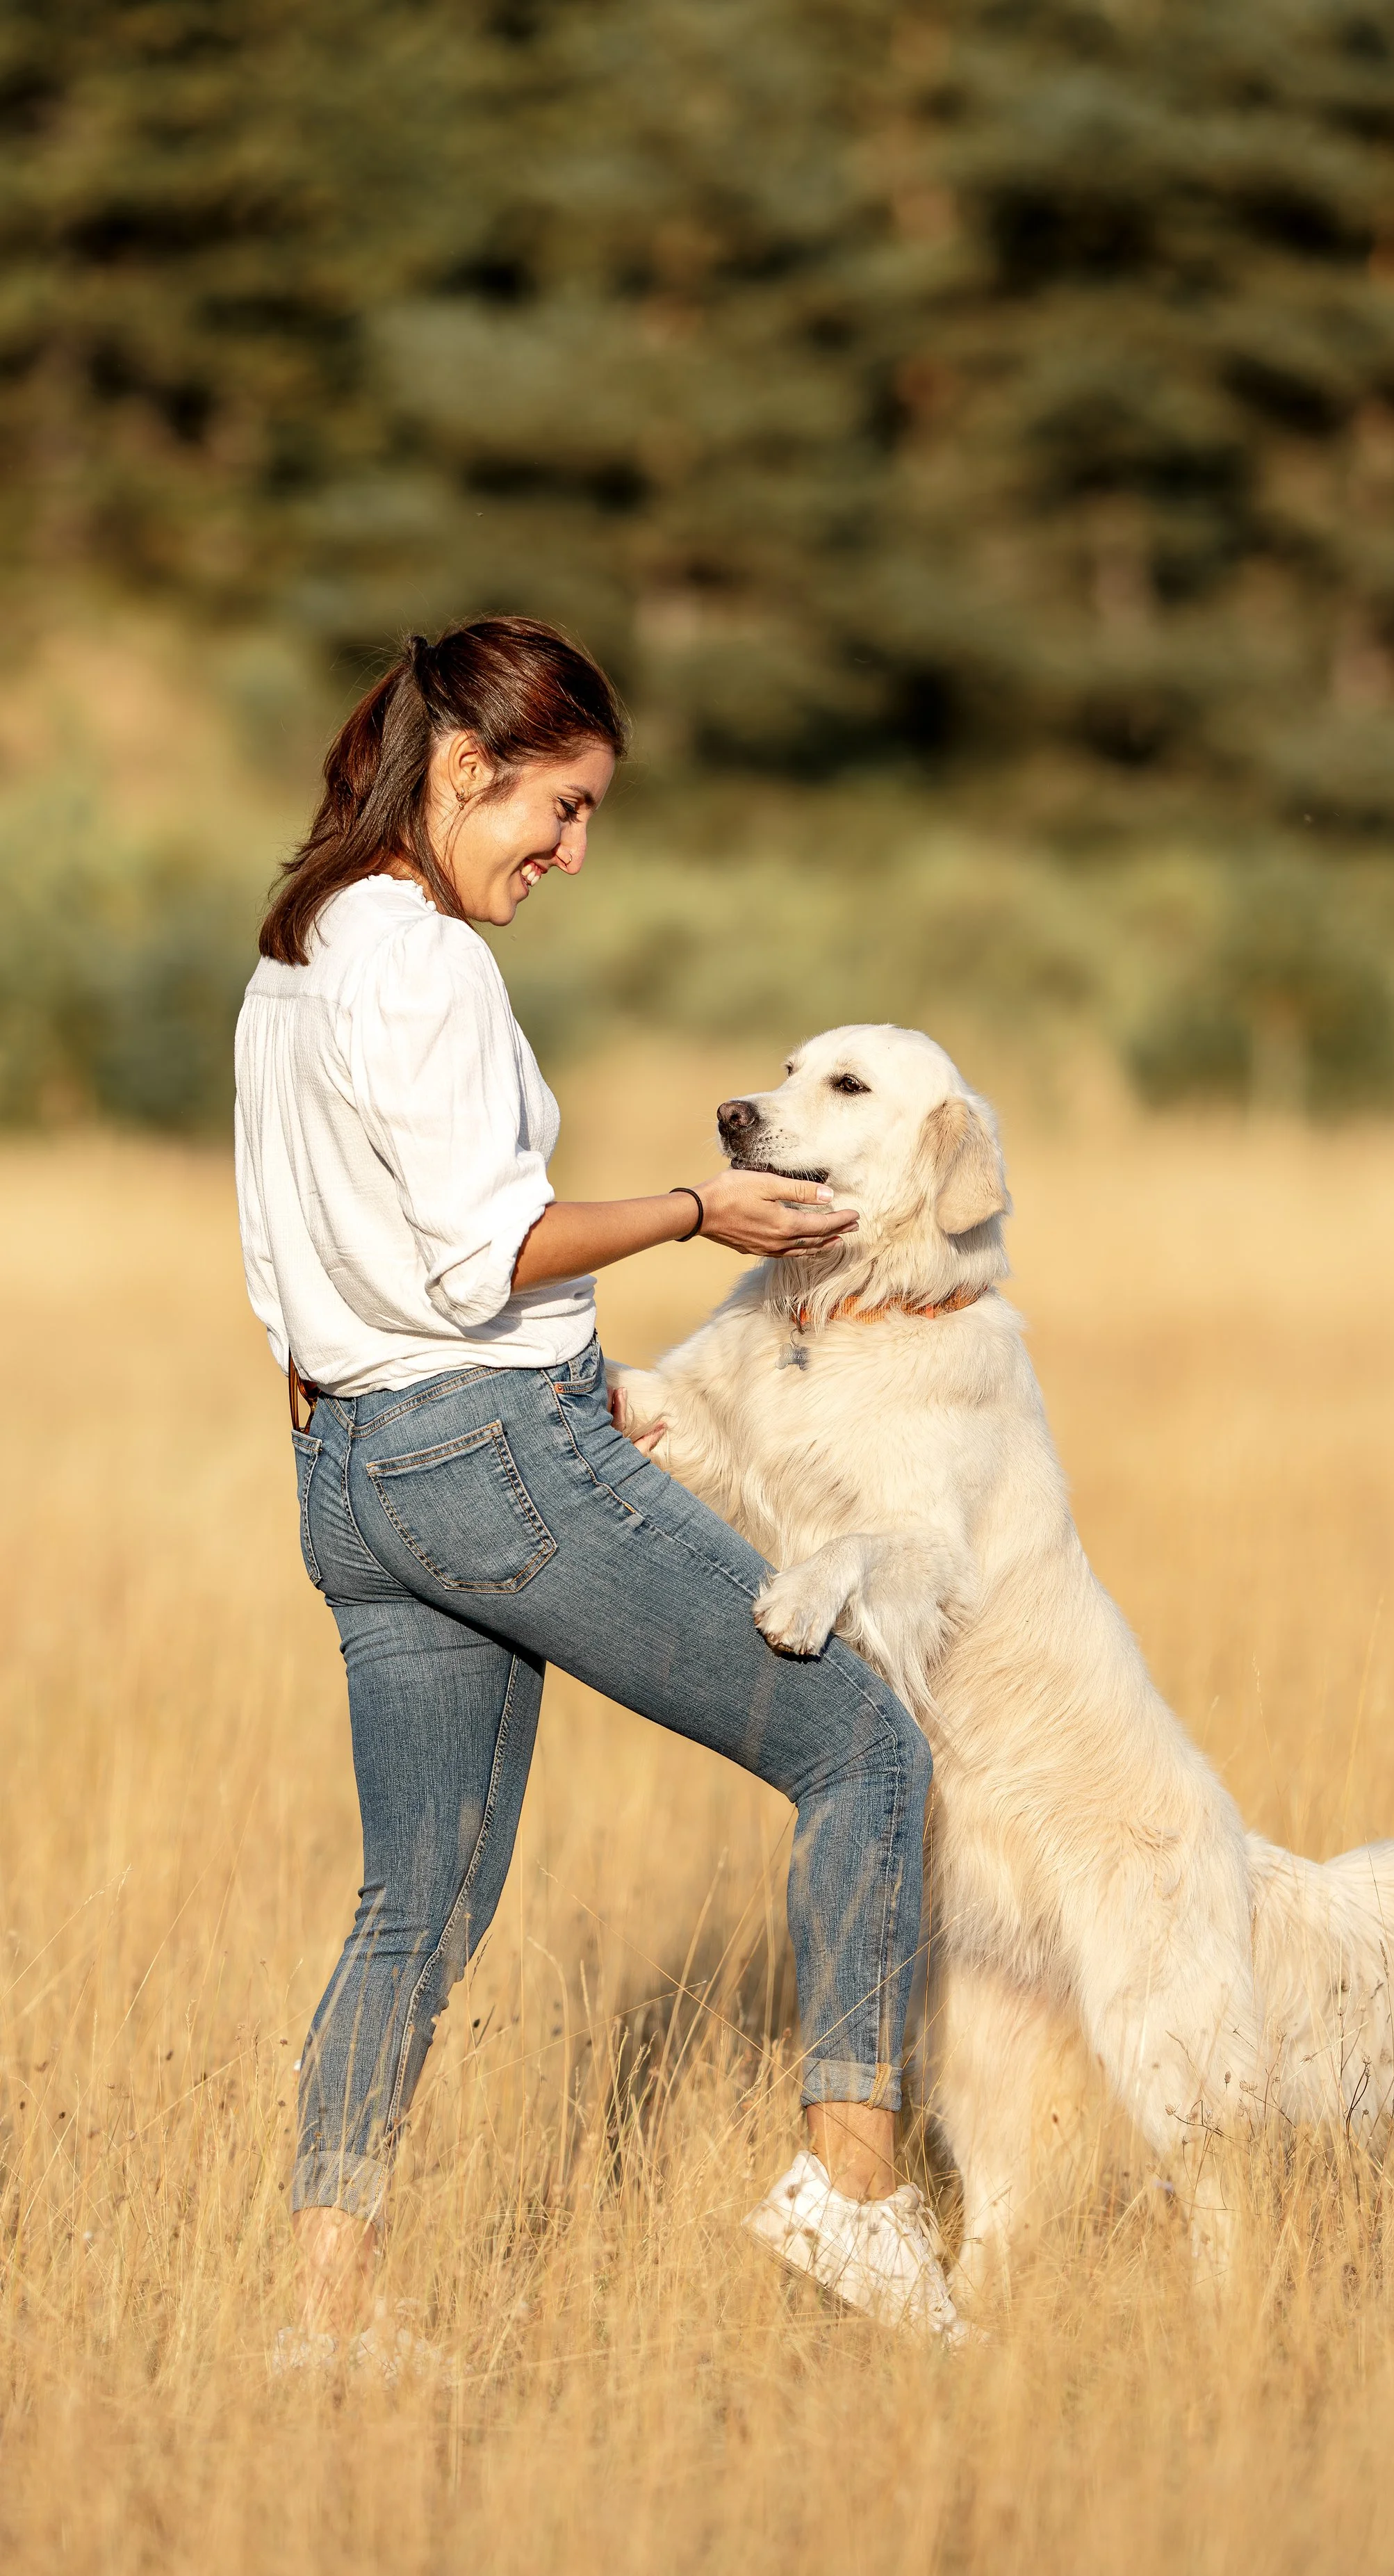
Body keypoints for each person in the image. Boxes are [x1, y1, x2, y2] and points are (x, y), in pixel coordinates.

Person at [235, 615, 960, 2350]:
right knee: (865, 1743)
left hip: (348, 1471)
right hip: (493, 1449)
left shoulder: (296, 954)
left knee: (414, 1902)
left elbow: (297, 1265)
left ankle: (322, 2314)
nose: (570, 852)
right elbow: (493, 1252)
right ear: (461, 769)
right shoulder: (421, 960)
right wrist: (701, 1210)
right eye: (553, 809)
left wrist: (369, 1445)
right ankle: (850, 2199)